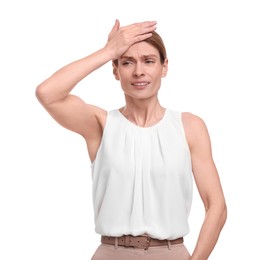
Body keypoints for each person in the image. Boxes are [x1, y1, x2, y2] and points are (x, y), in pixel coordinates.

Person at [35, 20, 227, 260]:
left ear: (164, 67)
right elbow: (47, 93)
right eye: (127, 62)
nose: (138, 71)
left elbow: (216, 205)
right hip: (110, 253)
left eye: (148, 61)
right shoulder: (101, 125)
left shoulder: (190, 126)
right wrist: (107, 52)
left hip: (171, 253)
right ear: (115, 70)